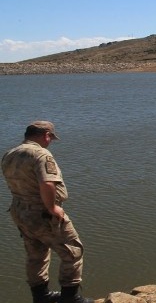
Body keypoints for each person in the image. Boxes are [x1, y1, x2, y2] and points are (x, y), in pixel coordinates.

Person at [1, 121, 93, 303]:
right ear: (46, 135)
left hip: (20, 212)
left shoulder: (9, 154)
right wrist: (52, 208)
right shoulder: (41, 154)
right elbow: (47, 182)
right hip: (42, 212)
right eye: (51, 137)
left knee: (36, 254)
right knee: (72, 251)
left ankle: (41, 296)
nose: (50, 142)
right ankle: (70, 298)